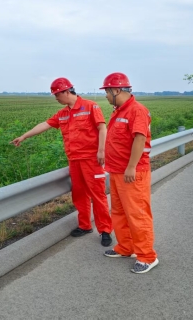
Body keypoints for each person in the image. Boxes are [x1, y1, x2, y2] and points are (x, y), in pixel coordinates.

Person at [11, 77, 113, 247]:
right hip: (74, 160)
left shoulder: (90, 106)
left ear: (66, 92)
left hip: (91, 160)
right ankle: (85, 225)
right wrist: (24, 136)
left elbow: (102, 127)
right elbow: (45, 125)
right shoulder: (63, 114)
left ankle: (105, 230)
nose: (56, 98)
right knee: (79, 195)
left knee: (97, 195)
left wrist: (101, 150)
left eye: (57, 95)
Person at [100, 72, 159, 274]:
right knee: (119, 212)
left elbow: (140, 138)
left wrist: (132, 166)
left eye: (107, 92)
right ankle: (126, 247)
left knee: (137, 214)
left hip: (131, 172)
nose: (106, 96)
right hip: (117, 171)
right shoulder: (119, 111)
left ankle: (147, 256)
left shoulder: (136, 110)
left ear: (116, 90)